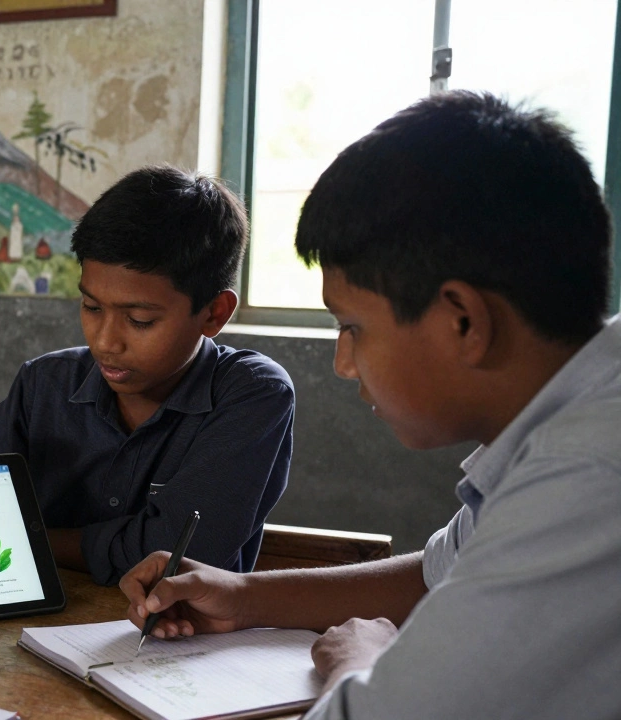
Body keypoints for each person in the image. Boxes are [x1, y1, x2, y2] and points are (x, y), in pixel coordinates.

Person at [120, 92, 621, 719]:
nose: (343, 363)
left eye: (352, 326)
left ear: (463, 320)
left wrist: (362, 663)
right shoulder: (573, 412)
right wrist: (243, 594)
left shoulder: (589, 479)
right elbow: (436, 573)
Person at [0, 166, 295, 585]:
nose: (105, 341)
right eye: (91, 308)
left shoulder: (253, 395)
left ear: (214, 313)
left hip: (172, 643)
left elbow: (172, 558)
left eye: (140, 320)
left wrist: (24, 537)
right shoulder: (44, 385)